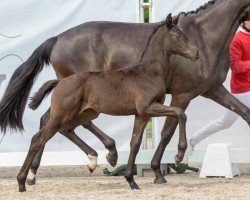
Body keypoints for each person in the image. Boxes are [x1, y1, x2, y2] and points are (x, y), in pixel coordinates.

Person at [183, 21, 250, 163]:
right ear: (244, 22)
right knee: (224, 122)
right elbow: (236, 66)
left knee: (225, 122)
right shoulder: (237, 40)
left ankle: (193, 141)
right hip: (243, 89)